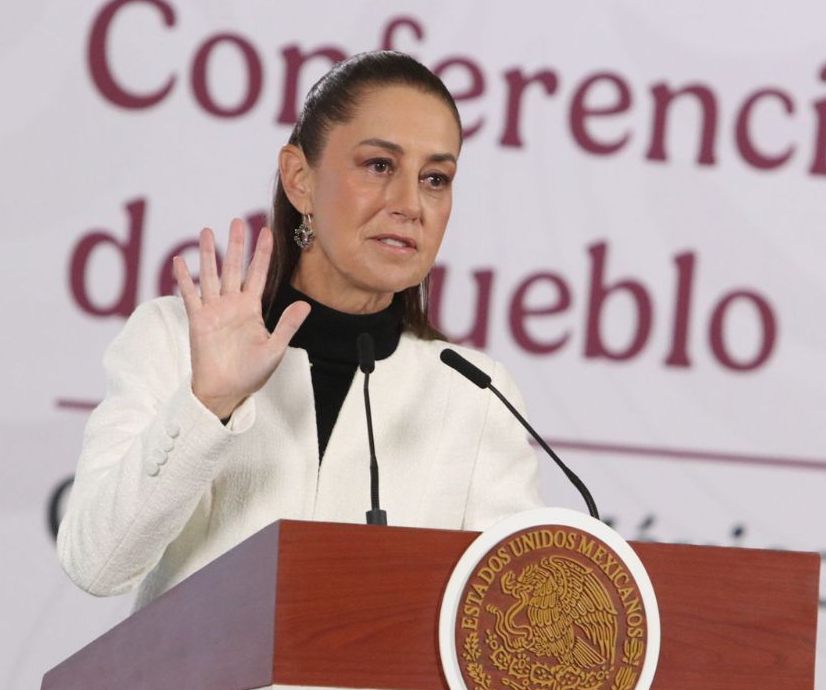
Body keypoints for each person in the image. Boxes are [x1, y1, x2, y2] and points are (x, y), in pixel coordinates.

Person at [57, 51, 543, 610]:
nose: (411, 204)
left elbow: (507, 621)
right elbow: (96, 566)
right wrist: (207, 404)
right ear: (299, 179)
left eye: (435, 179)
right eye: (379, 165)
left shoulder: (476, 392)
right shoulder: (173, 338)